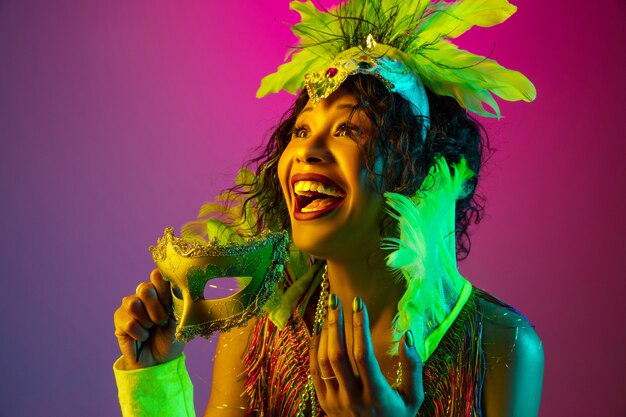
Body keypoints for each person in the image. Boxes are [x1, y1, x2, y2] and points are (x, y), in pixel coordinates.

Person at [113, 1, 544, 416]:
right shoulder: (260, 333)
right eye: (302, 129)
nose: (307, 151)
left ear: (416, 172)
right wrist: (155, 376)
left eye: (347, 129)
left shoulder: (499, 344)